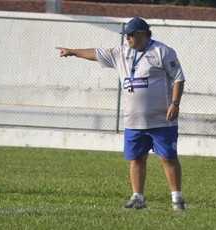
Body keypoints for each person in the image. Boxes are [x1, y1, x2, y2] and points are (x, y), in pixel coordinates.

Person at [56, 17, 186, 211]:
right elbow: (96, 53)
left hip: (161, 119)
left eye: (131, 35)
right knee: (137, 158)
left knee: (167, 157)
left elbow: (178, 78)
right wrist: (73, 52)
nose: (128, 39)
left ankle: (177, 199)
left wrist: (175, 103)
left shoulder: (162, 51)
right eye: (126, 36)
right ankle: (137, 197)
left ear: (142, 34)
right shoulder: (121, 53)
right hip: (133, 121)